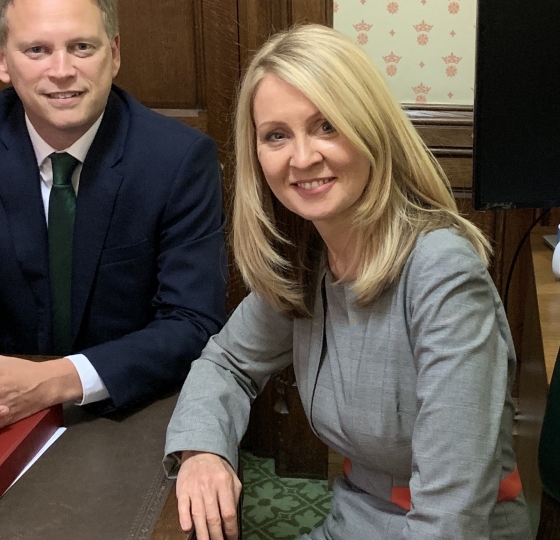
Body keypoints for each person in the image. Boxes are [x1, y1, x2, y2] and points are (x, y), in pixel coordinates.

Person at [163, 24, 532, 540]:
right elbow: (226, 362)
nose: (302, 157)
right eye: (276, 135)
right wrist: (203, 450)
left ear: (370, 128)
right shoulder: (307, 262)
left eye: (327, 126)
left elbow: (451, 520)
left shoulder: (443, 273)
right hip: (353, 522)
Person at [0, 0, 227, 442]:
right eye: (36, 50)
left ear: (113, 54)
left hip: (130, 403)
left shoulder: (177, 158)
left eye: (81, 47)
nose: (61, 70)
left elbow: (192, 321)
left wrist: (55, 381)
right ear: (1, 59)